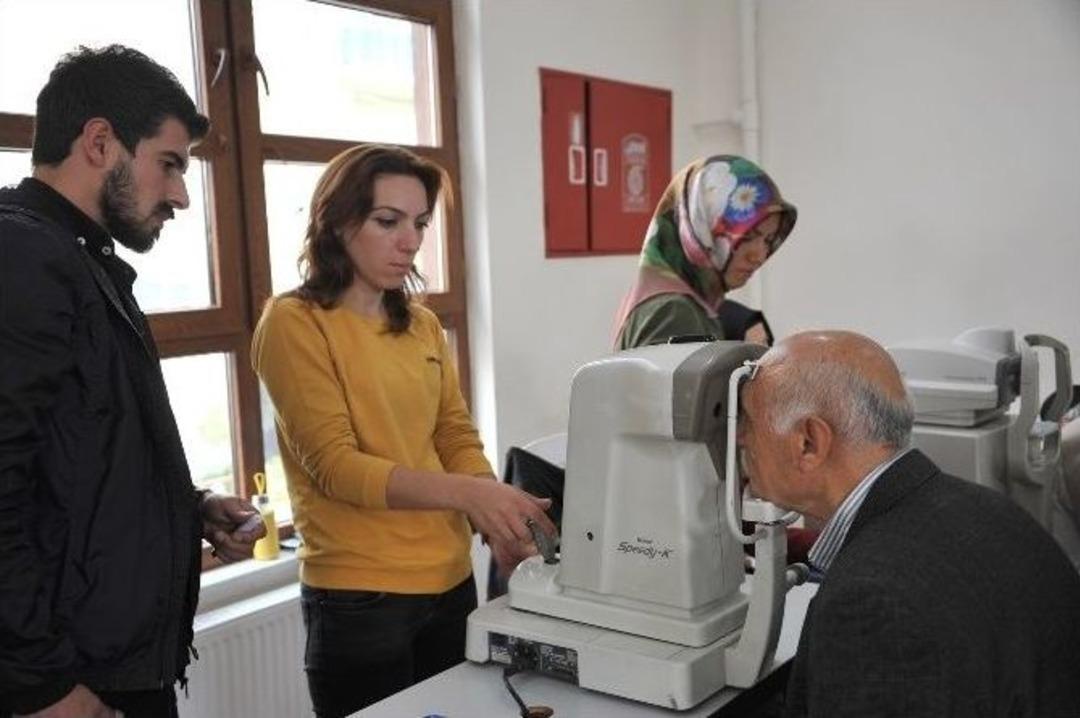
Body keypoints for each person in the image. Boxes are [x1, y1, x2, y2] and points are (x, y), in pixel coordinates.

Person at [0, 46, 265, 718]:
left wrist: (190, 504)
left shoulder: (77, 259)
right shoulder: (25, 259)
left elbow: (78, 455)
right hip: (69, 685)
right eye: (170, 163)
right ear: (99, 142)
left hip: (111, 670)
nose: (179, 193)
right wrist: (43, 688)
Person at [251, 144, 556, 717]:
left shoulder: (418, 324)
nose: (411, 241)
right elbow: (336, 467)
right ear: (337, 223)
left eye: (419, 223)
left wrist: (496, 521)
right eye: (387, 221)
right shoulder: (294, 323)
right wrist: (472, 494)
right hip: (360, 600)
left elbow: (455, 437)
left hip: (449, 584)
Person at [736, 330, 1080, 717]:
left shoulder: (870, 605)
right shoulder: (993, 511)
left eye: (748, 421)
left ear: (809, 442)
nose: (739, 438)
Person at [612, 155, 797, 350]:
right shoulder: (674, 311)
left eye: (768, 240)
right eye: (748, 236)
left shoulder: (672, 299)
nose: (759, 256)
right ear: (700, 225)